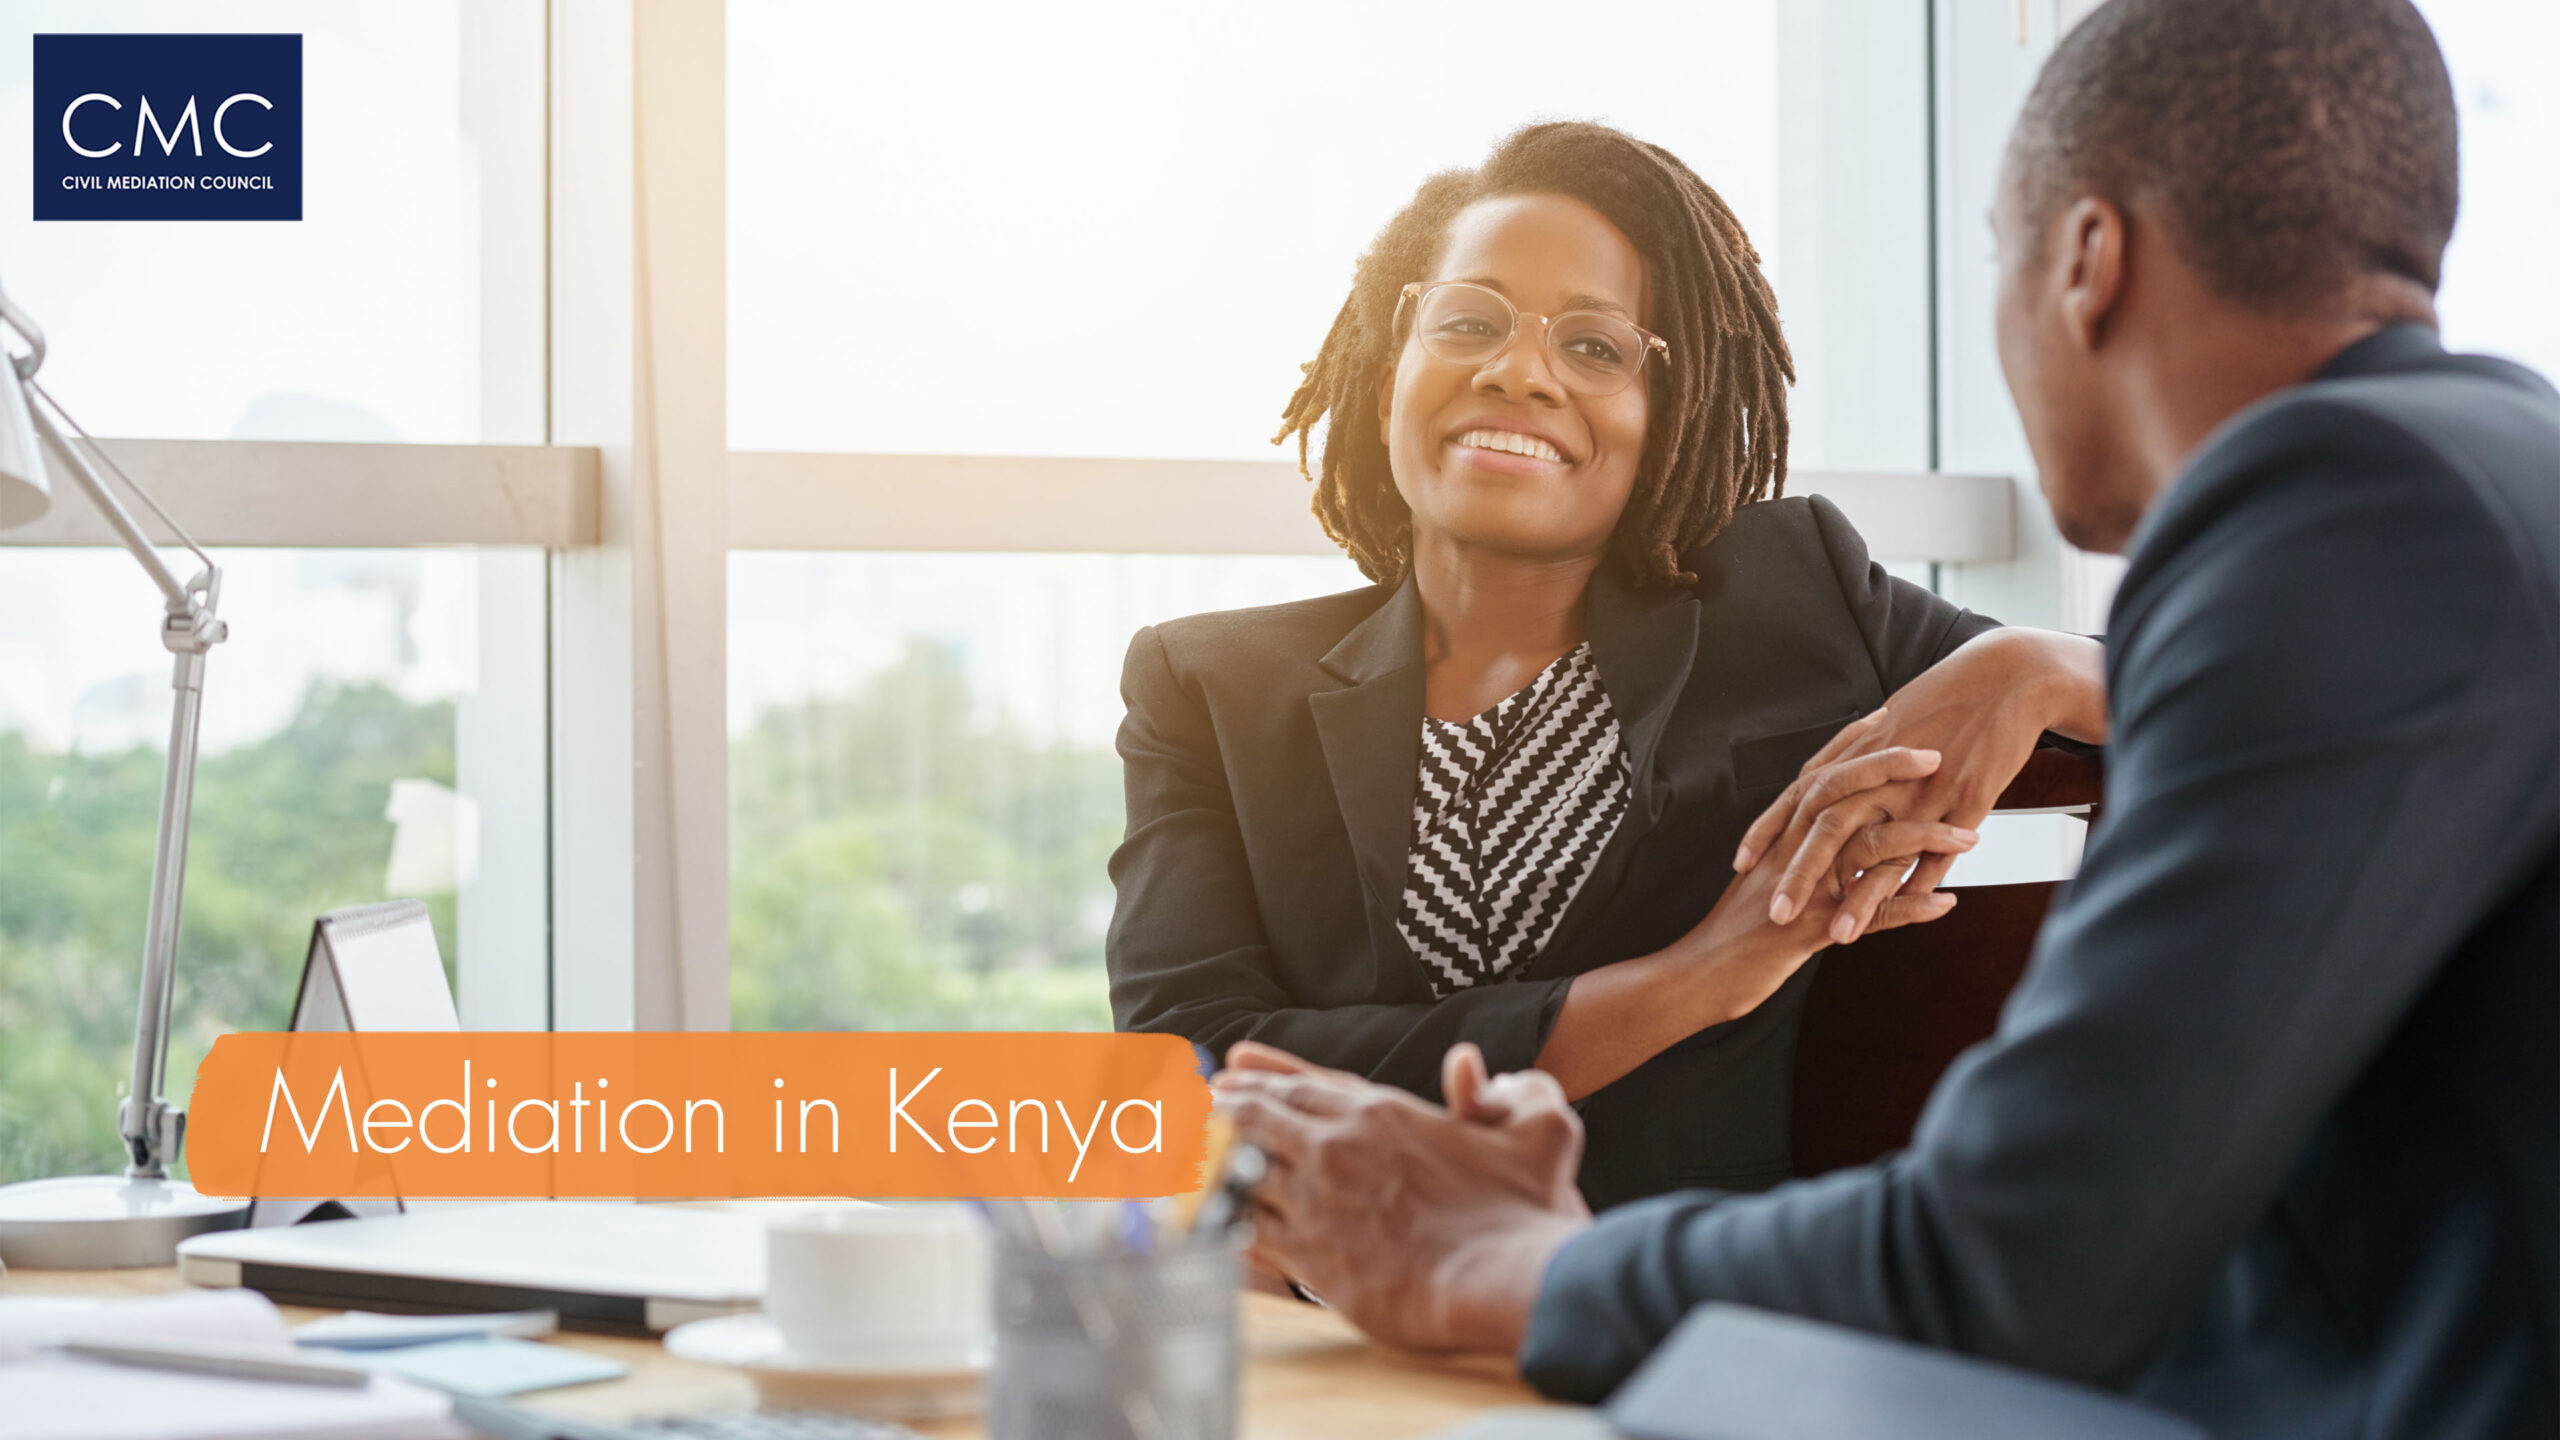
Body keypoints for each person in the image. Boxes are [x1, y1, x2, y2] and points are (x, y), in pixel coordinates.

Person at [1210, 2, 2559, 1436]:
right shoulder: (2494, 466)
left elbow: (2012, 1260)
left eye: (1996, 253)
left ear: (2087, 260)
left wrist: (1518, 1264)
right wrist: (2036, 665)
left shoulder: (2344, 513)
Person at [1105, 121, 2106, 1210]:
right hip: (1337, 1310)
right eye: (1467, 321)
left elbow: (2233, 695)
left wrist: (2029, 664)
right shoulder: (1205, 688)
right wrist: (1693, 983)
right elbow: (1189, 1072)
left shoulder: (1794, 597)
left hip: (1686, 1317)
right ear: (1391, 362)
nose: (1516, 371)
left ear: (1666, 413)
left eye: (1593, 347)